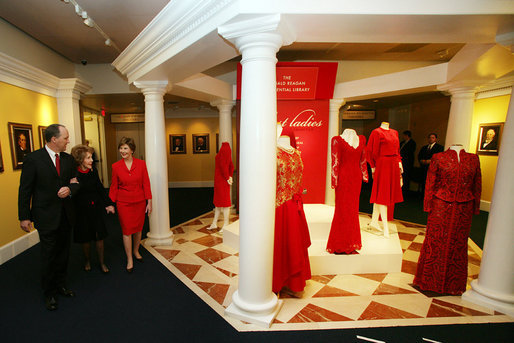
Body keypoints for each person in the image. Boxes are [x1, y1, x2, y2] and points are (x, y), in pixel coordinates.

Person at [18, 124, 79, 311]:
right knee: (49, 255)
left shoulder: (68, 159)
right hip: (45, 216)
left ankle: (61, 284)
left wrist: (70, 189)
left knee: (63, 253)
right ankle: (49, 293)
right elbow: (25, 190)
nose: (68, 141)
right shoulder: (33, 159)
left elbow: (76, 182)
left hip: (66, 216)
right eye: (66, 137)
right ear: (54, 139)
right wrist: (24, 216)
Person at [414, 144, 482, 295]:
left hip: (464, 208)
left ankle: (454, 285)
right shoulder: (439, 157)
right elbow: (430, 182)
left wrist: (476, 206)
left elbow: (477, 184)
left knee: (458, 244)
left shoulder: (473, 159)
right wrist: (428, 204)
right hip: (440, 205)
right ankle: (429, 281)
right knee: (435, 241)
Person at [273, 124, 311, 295]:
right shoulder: (273, 152)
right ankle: (278, 283)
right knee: (281, 244)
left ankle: (294, 283)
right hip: (279, 207)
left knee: (294, 243)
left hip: (295, 207)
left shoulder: (297, 153)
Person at [109, 137, 152, 273]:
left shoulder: (141, 164)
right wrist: (110, 203)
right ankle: (129, 259)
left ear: (132, 150)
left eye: (125, 148)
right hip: (123, 203)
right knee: (127, 231)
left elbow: (146, 183)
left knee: (138, 229)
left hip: (139, 201)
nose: (122, 151)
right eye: (121, 148)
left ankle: (136, 250)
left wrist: (149, 201)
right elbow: (114, 186)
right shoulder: (115, 166)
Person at [71, 144, 115, 274]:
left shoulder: (93, 171)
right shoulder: (74, 174)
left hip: (95, 208)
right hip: (81, 211)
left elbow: (100, 189)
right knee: (85, 239)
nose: (91, 160)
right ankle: (87, 260)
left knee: (99, 237)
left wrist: (109, 204)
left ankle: (102, 263)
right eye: (88, 158)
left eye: (91, 157)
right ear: (80, 160)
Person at [327, 129, 368, 254]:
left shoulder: (361, 139)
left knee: (353, 209)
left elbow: (363, 159)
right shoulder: (337, 140)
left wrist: (364, 175)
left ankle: (351, 241)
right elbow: (335, 161)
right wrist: (335, 181)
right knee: (342, 208)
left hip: (354, 178)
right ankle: (340, 243)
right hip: (344, 178)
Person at [366, 122, 403, 238]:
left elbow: (397, 151)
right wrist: (373, 167)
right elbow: (371, 151)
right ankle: (385, 226)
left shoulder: (394, 132)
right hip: (382, 164)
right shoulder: (376, 132)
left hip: (393, 164)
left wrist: (400, 165)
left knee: (382, 194)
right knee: (382, 195)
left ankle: (374, 221)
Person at [209, 142, 234, 231]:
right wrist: (229, 177)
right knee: (219, 203)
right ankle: (214, 223)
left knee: (224, 203)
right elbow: (231, 166)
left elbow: (224, 167)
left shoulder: (221, 154)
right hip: (222, 181)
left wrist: (228, 177)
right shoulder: (227, 154)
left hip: (221, 181)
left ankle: (226, 223)